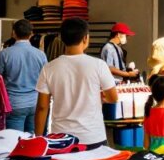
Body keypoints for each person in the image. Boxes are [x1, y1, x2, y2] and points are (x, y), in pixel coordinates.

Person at [35, 18, 118, 148]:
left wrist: (38, 138)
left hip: (61, 139)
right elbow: (113, 98)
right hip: (93, 137)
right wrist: (101, 97)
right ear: (85, 38)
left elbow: (42, 107)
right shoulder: (99, 65)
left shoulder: (49, 68)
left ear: (62, 39)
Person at [0, 19, 47, 133]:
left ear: (13, 33)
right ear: (31, 34)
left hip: (14, 103)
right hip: (35, 103)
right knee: (31, 140)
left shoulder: (4, 54)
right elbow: (45, 80)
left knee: (14, 140)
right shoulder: (41, 55)